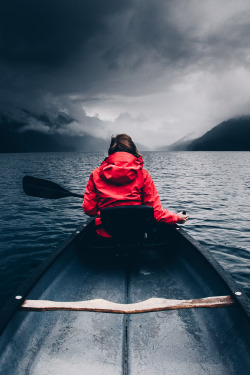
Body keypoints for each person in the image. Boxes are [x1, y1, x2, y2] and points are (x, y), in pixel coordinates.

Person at [83, 134, 189, 237]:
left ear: (110, 153)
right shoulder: (143, 175)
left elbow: (89, 210)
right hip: (136, 234)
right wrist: (176, 218)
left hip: (106, 234)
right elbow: (156, 213)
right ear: (133, 151)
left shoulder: (96, 174)